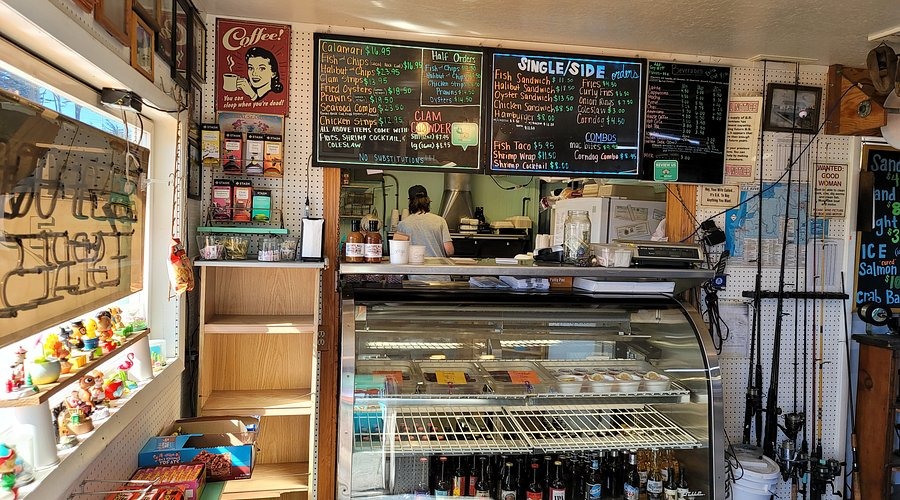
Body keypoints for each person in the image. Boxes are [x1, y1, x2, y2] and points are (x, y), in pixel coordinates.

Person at [394, 185, 454, 258]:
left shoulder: (403, 224)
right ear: (427, 200)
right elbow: (449, 251)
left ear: (410, 201)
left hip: (414, 264)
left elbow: (398, 251)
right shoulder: (440, 221)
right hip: (437, 264)